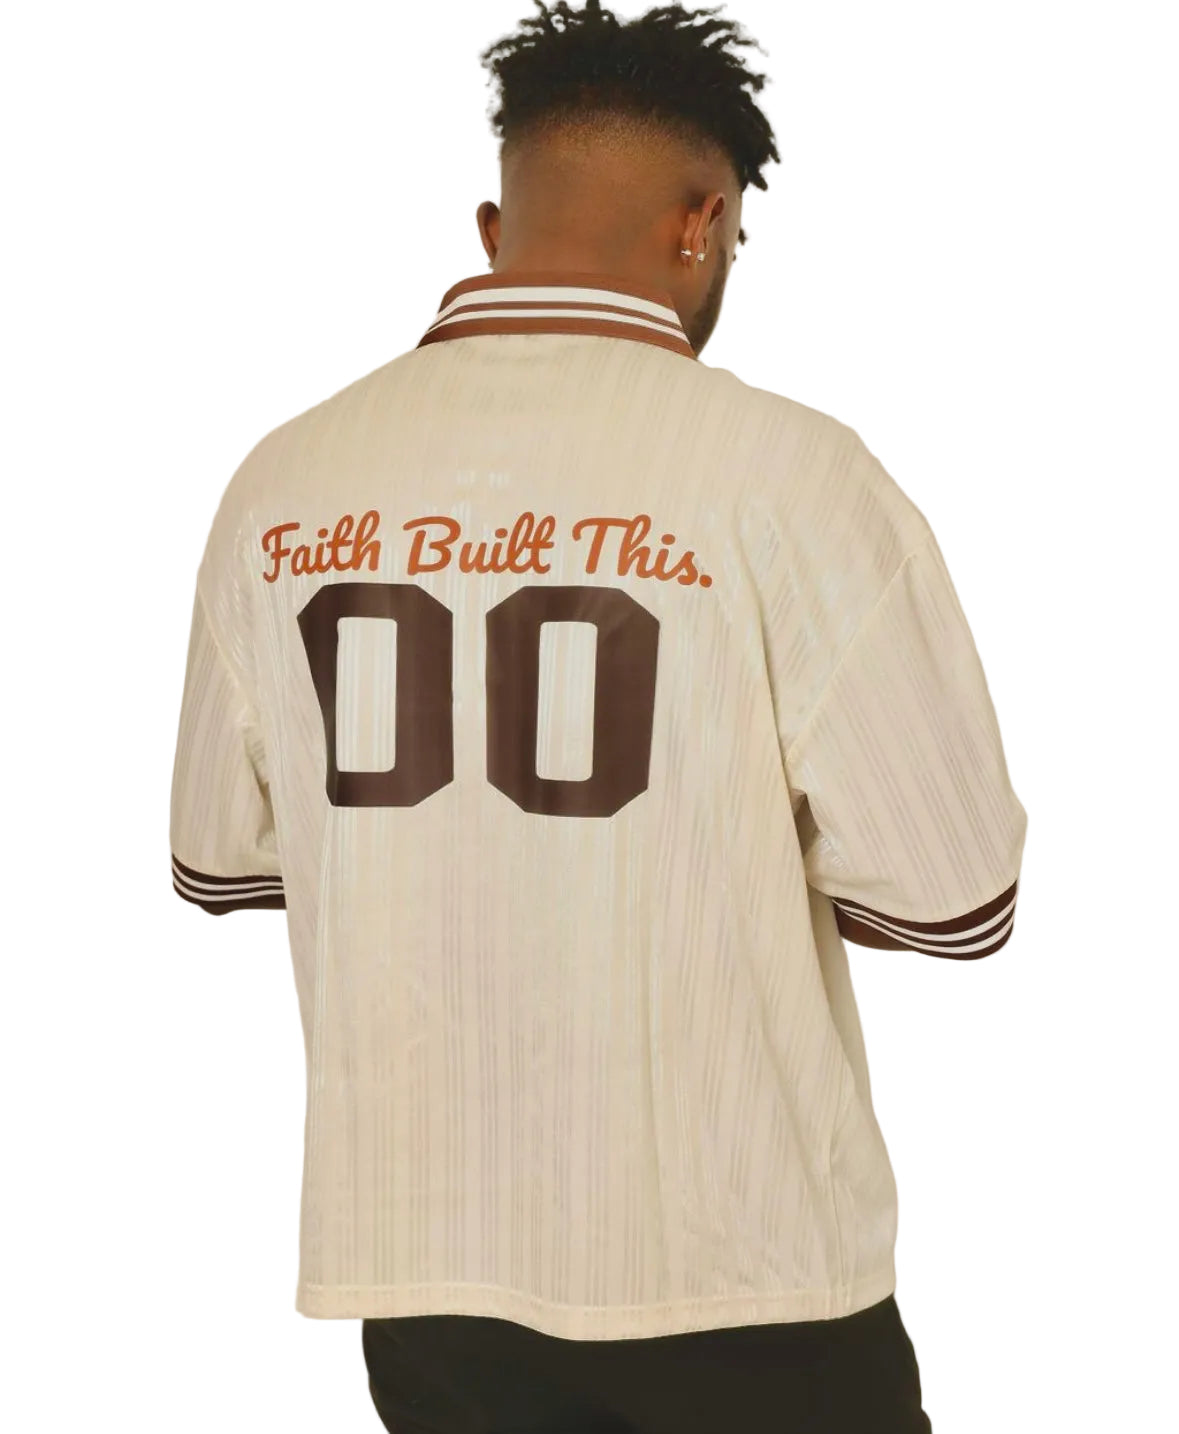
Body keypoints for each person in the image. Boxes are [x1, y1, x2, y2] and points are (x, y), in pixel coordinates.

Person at [168, 2, 1027, 1430]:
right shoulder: (797, 476)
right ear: (703, 224)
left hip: (429, 1289)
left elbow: (220, 859)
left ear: (496, 228)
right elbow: (957, 893)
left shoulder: (280, 481)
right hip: (746, 1279)